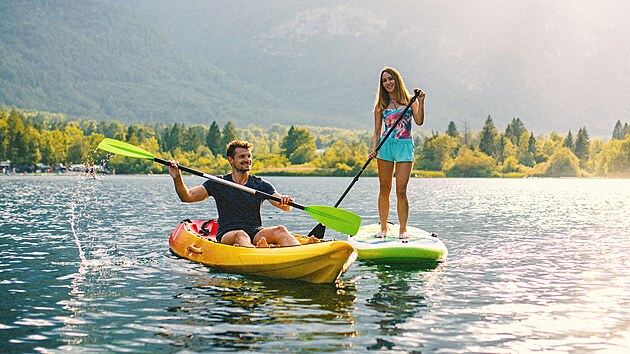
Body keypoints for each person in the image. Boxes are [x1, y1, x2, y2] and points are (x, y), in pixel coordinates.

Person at [168, 139, 313, 248]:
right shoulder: (218, 183)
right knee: (240, 235)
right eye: (242, 157)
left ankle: (301, 254)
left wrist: (285, 200)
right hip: (228, 234)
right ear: (231, 160)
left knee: (280, 230)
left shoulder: (260, 184)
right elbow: (187, 197)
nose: (247, 160)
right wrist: (177, 177)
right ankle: (257, 254)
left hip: (255, 232)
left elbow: (282, 205)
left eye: (249, 156)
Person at [368, 67, 426, 239]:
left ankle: (403, 229)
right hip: (385, 147)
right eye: (384, 81)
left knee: (401, 190)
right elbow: (377, 132)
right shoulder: (380, 105)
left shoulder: (410, 100)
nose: (388, 83)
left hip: (405, 147)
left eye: (390, 79)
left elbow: (419, 121)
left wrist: (421, 101)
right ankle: (383, 228)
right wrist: (374, 148)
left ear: (397, 80)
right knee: (384, 188)